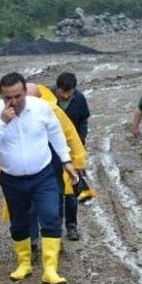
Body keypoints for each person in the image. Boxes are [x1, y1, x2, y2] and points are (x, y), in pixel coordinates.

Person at [0, 72, 79, 284]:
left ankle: (50, 269)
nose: (13, 102)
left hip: (43, 174)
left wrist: (66, 161)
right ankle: (24, 263)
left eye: (17, 96)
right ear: (0, 95)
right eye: (8, 98)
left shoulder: (41, 108)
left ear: (25, 91)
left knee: (51, 215)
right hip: (12, 178)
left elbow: (56, 134)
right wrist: (2, 123)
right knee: (19, 222)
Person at [21, 83, 87, 254]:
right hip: (26, 169)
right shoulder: (14, 114)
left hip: (53, 167)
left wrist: (77, 163)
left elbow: (71, 135)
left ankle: (54, 239)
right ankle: (32, 241)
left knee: (54, 204)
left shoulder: (53, 111)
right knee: (29, 206)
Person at [53, 72, 91, 240]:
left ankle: (71, 225)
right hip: (52, 151)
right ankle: (55, 228)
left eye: (70, 92)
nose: (66, 95)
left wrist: (81, 139)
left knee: (72, 190)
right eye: (63, 91)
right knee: (54, 191)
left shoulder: (79, 99)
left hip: (72, 149)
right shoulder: (47, 98)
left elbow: (84, 120)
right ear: (57, 88)